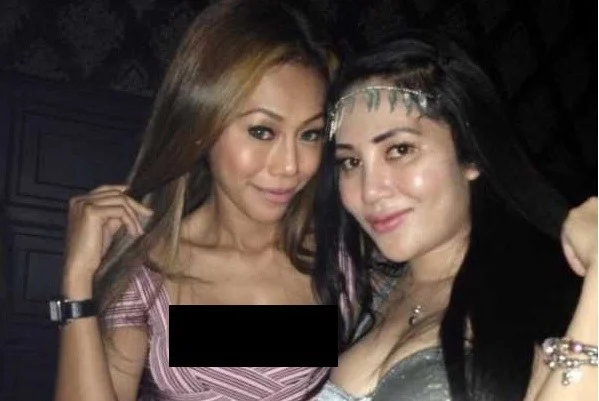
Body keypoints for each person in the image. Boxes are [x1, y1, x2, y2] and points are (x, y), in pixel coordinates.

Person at [52, 1, 338, 400]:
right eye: (262, 131)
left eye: (310, 134)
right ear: (202, 127)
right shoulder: (151, 270)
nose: (291, 166)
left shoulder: (338, 258)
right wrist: (76, 281)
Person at [311, 30, 597, 401]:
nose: (370, 190)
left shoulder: (547, 295)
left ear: (471, 156)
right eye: (350, 162)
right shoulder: (356, 286)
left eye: (400, 150)